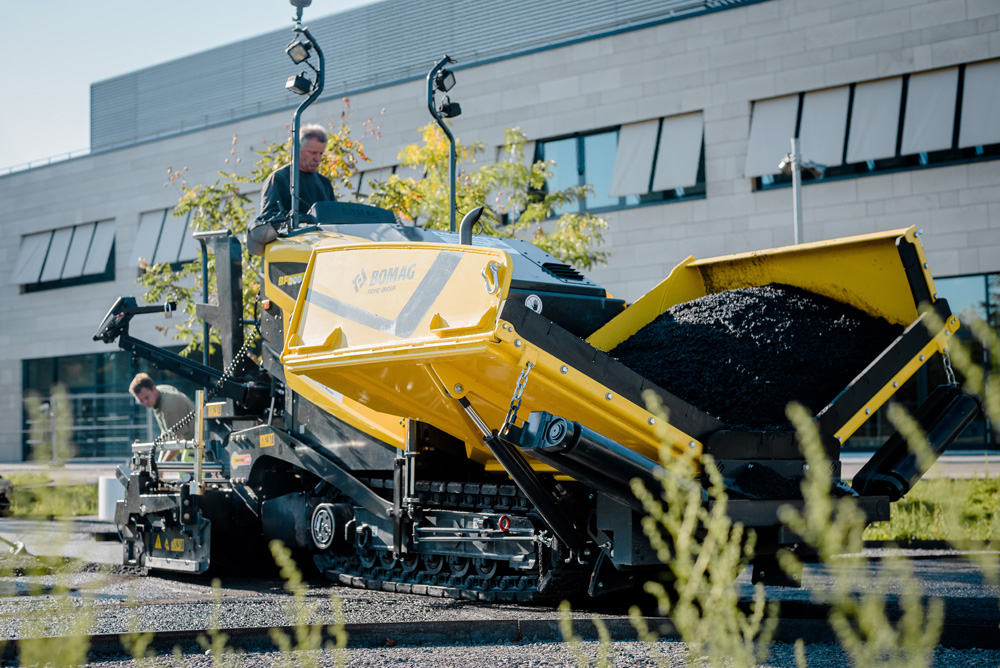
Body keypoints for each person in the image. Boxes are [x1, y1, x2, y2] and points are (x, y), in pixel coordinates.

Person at [246, 123, 336, 255]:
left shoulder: (325, 183)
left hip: (323, 252)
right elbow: (269, 221)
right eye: (312, 153)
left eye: (321, 153)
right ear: (297, 149)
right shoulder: (279, 179)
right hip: (292, 255)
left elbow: (335, 218)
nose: (318, 158)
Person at [129, 373, 196, 444]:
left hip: (196, 444)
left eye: (146, 397)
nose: (145, 402)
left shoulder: (169, 407)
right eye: (141, 400)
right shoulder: (159, 392)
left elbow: (177, 443)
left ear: (153, 389)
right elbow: (165, 434)